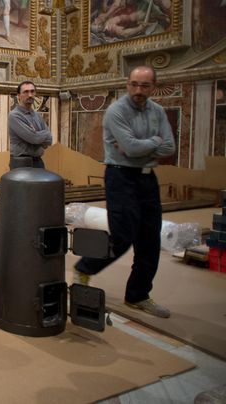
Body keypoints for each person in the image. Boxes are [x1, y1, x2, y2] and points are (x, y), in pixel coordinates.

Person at [73, 66, 175, 318]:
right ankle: (85, 267)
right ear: (127, 84)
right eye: (134, 84)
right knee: (123, 236)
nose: (138, 90)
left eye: (144, 86)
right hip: (121, 177)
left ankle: (138, 295)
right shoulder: (116, 111)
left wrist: (142, 147)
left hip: (148, 180)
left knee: (150, 240)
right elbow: (130, 148)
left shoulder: (158, 112)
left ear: (153, 86)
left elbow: (169, 147)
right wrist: (154, 143)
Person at [8, 80, 53, 169]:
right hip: (21, 163)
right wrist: (43, 135)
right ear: (19, 95)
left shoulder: (37, 115)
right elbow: (34, 138)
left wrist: (41, 135)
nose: (30, 95)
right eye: (26, 92)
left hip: (38, 161)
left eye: (32, 91)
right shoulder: (14, 115)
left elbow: (49, 139)